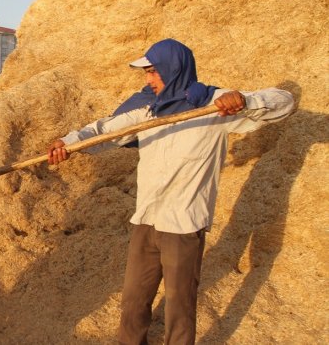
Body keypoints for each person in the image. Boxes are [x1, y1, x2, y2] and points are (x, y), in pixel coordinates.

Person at [47, 39, 294, 345]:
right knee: (133, 303)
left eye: (152, 72)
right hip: (147, 220)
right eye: (146, 73)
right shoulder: (149, 112)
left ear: (172, 69)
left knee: (180, 307)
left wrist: (244, 101)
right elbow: (104, 131)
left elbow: (284, 102)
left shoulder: (213, 107)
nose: (148, 79)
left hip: (183, 225)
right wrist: (67, 142)